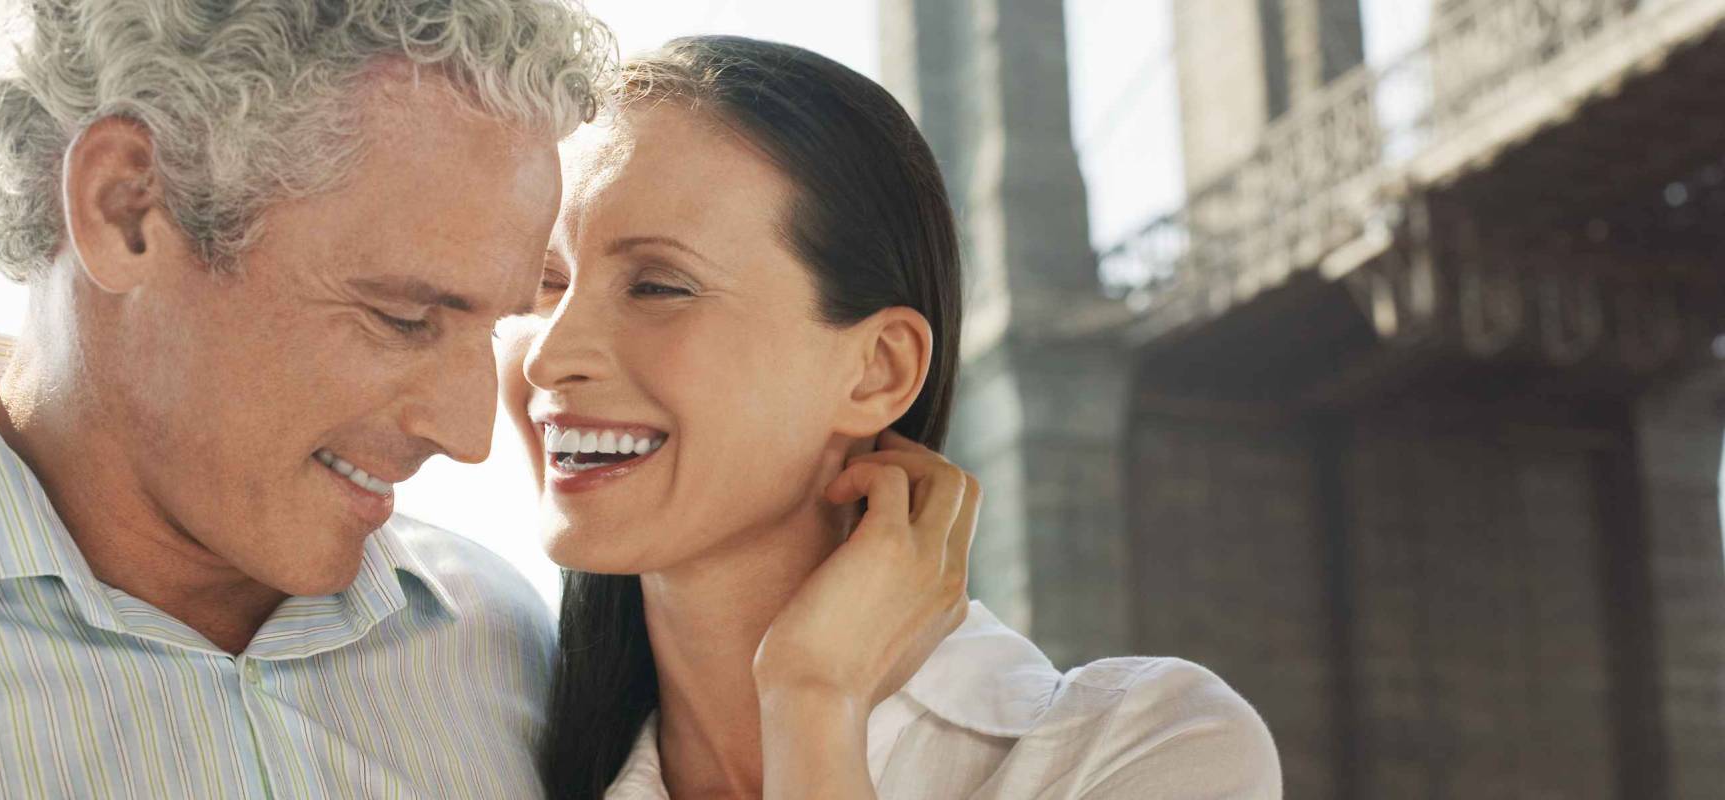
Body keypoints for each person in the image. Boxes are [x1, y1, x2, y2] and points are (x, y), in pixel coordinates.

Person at [0, 3, 975, 797]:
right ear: (127, 208)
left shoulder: (498, 646)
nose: (473, 435)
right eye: (404, 317)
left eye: (500, 320)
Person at [501, 36, 1285, 799]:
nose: (548, 356)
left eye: (658, 286)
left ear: (880, 369)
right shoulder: (482, 749)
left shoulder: (1148, 751)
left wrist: (813, 700)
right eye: (544, 283)